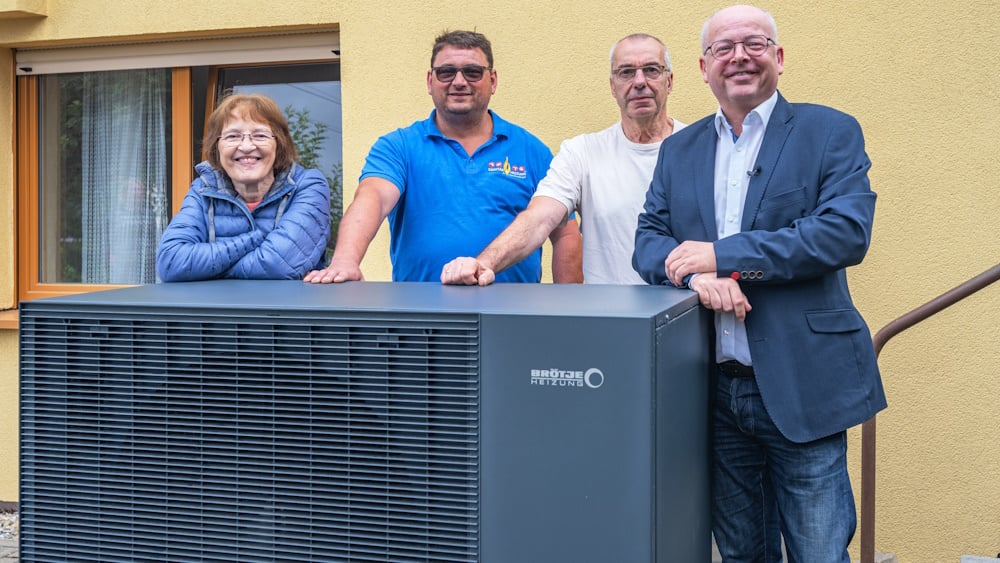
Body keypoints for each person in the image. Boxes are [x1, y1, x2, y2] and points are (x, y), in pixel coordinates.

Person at [632, 5, 886, 562]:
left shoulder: (829, 131)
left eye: (754, 43)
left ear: (778, 57)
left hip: (803, 380)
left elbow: (843, 233)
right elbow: (648, 239)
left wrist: (725, 257)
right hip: (712, 390)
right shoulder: (681, 149)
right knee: (742, 553)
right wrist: (699, 274)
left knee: (819, 552)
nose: (739, 56)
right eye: (723, 48)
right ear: (703, 67)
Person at [303, 30, 581, 284]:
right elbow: (372, 198)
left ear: (492, 80)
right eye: (446, 72)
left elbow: (565, 233)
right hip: (423, 319)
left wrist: (566, 312)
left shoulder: (531, 151)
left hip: (515, 317)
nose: (459, 82)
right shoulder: (398, 147)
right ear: (430, 80)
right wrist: (345, 262)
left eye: (473, 72)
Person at [440, 33, 683, 286]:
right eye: (626, 72)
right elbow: (538, 219)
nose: (640, 81)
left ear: (670, 80)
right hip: (611, 319)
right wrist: (484, 263)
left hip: (685, 315)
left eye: (652, 70)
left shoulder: (701, 148)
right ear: (613, 86)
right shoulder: (582, 152)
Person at [156, 93, 331, 281]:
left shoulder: (308, 186)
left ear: (279, 144)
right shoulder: (203, 189)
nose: (246, 146)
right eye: (232, 136)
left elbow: (277, 266)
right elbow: (171, 262)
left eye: (260, 135)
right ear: (217, 147)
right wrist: (256, 239)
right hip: (218, 310)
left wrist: (205, 270)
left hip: (287, 309)